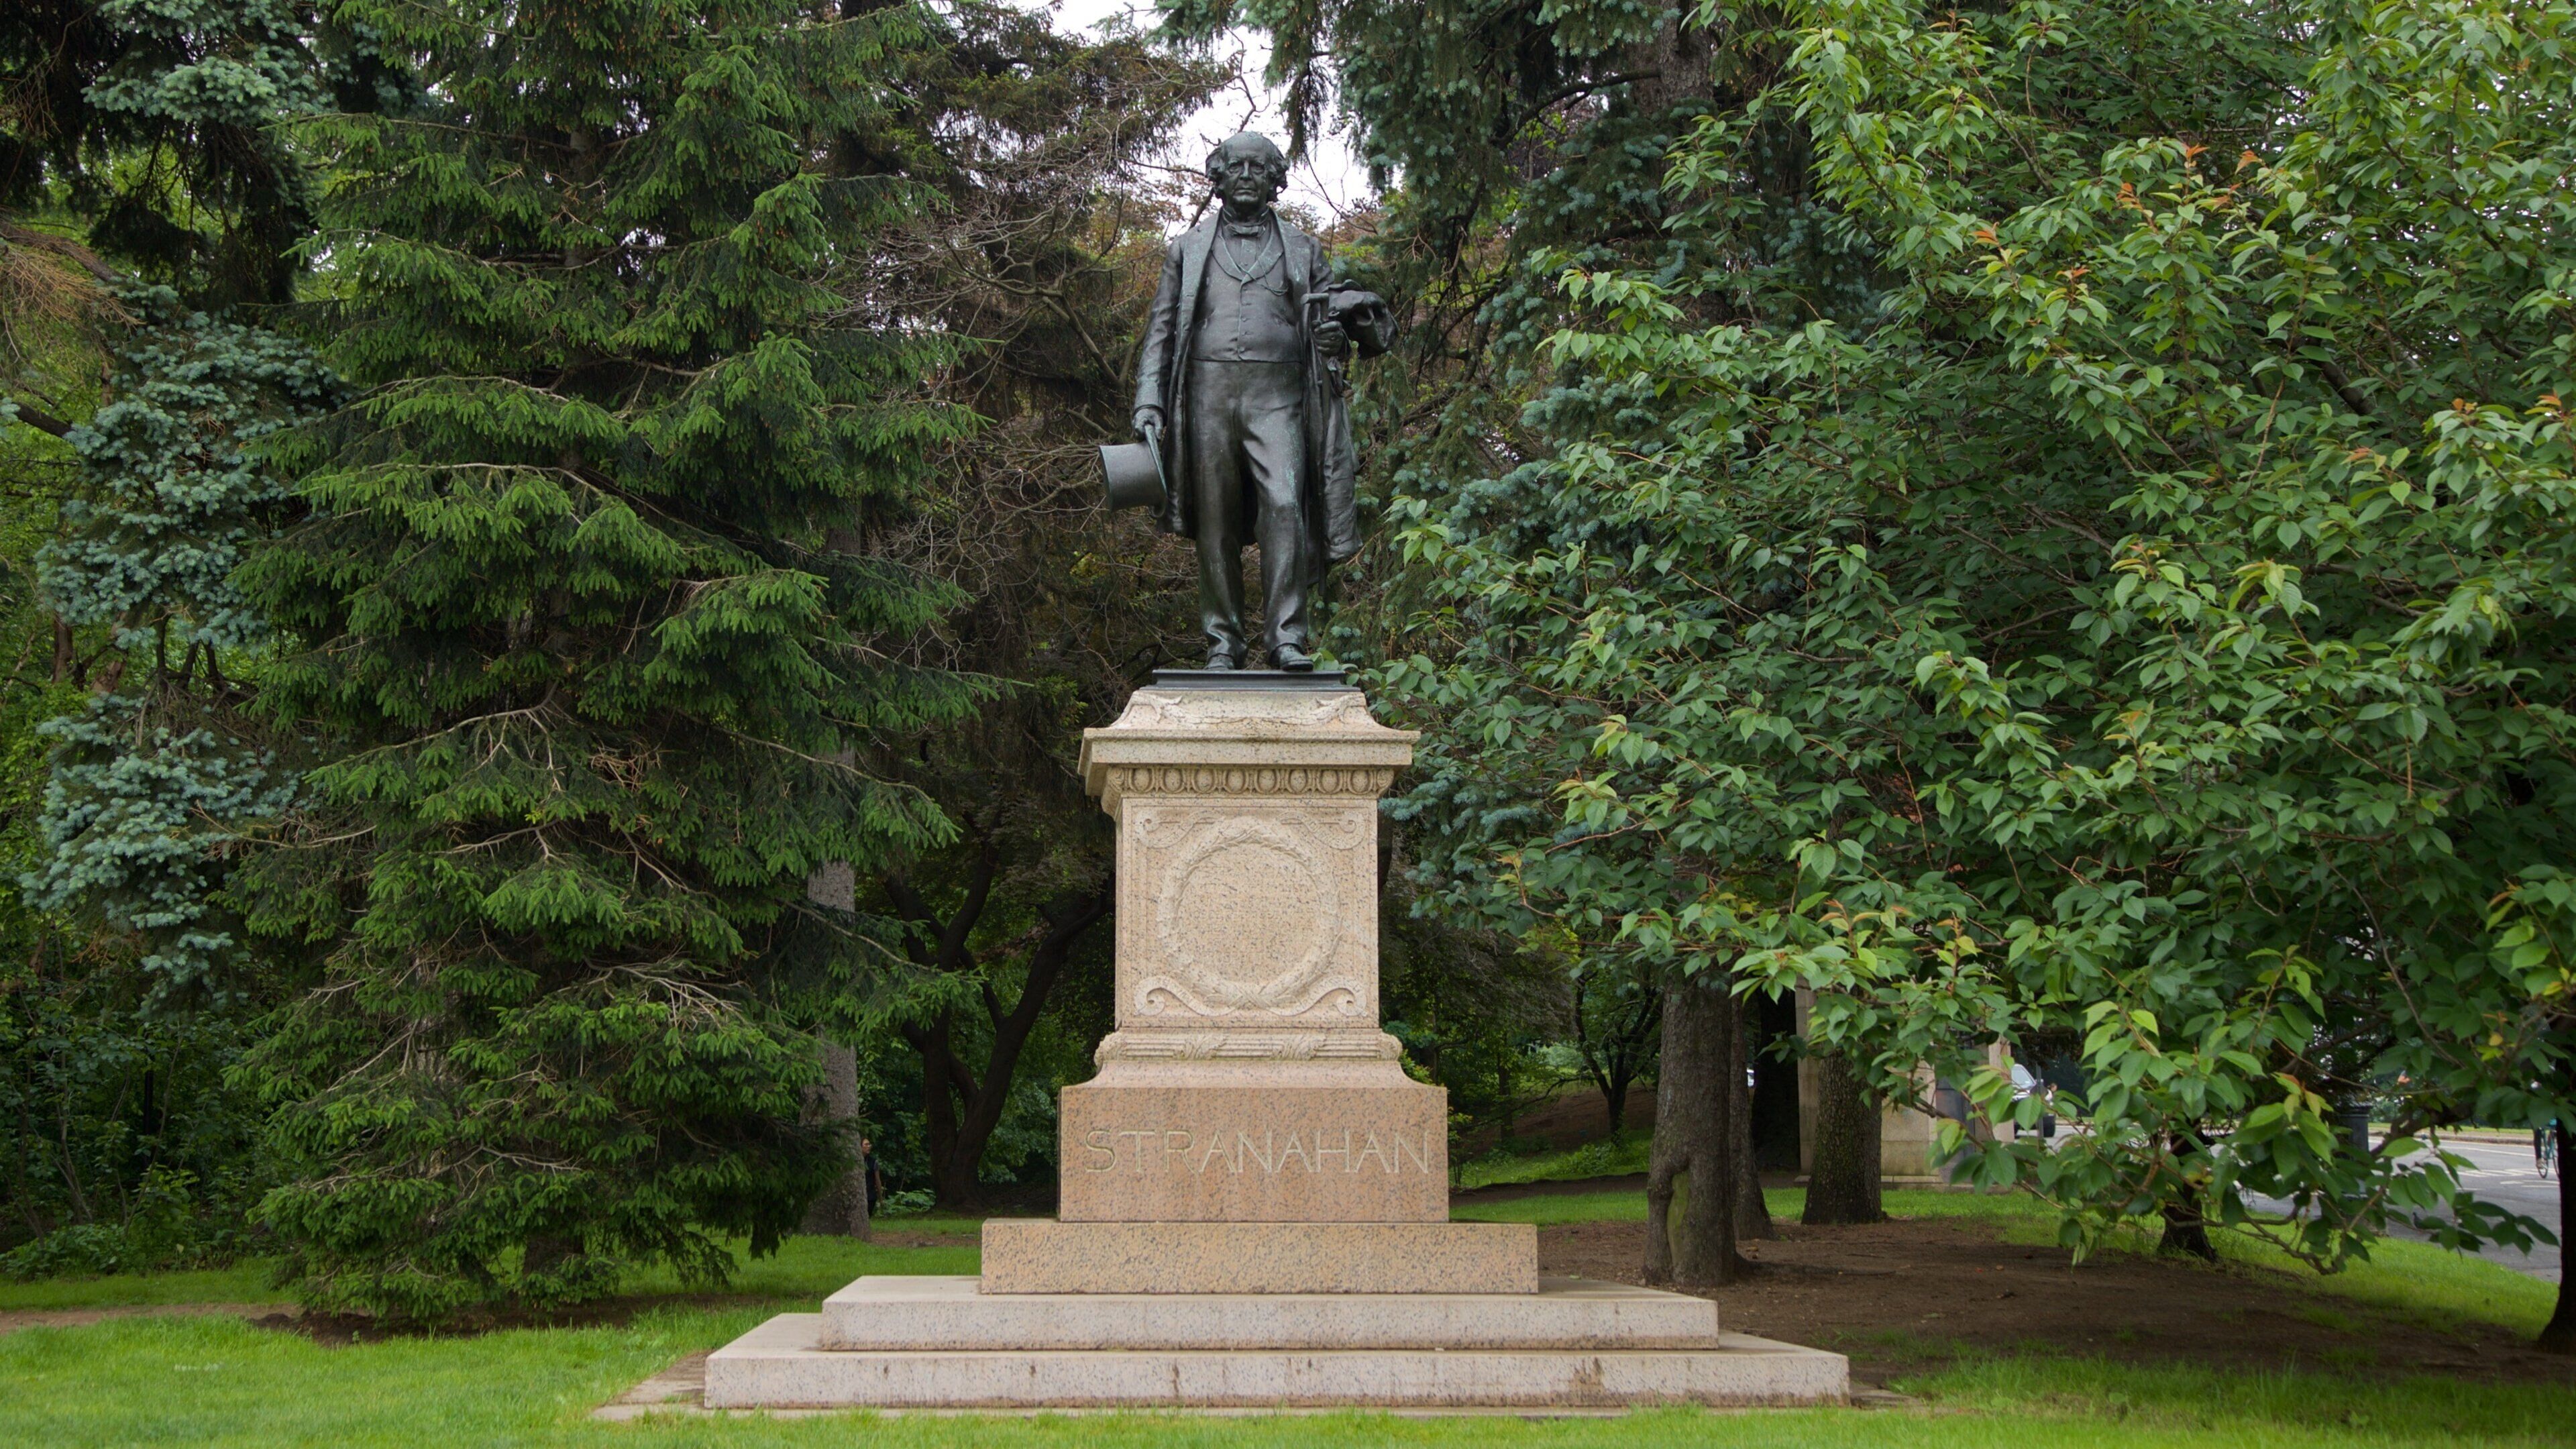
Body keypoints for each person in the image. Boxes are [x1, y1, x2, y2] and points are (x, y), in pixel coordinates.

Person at [1132, 131, 1395, 669]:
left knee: (1285, 506)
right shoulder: (1187, 248)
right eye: (1237, 166)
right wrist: (1149, 403)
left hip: (1281, 395)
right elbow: (1161, 331)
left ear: (1276, 179)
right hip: (1206, 394)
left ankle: (1286, 638)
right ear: (1219, 176)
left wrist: (1334, 339)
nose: (1247, 175)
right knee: (1216, 519)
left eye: (1260, 167)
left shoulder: (1303, 248)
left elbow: (1332, 326)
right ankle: (1223, 643)